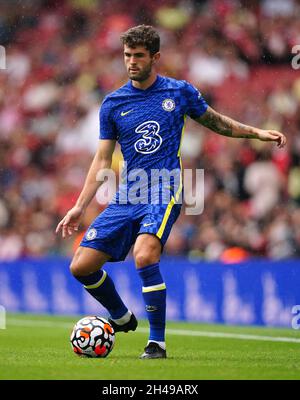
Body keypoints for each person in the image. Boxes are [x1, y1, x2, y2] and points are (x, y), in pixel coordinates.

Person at [56, 25, 286, 359]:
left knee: (145, 254)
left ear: (155, 57)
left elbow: (217, 122)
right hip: (128, 195)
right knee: (81, 266)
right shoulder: (113, 103)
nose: (131, 62)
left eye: (138, 56)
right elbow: (102, 159)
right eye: (127, 55)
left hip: (164, 188)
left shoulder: (178, 92)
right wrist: (80, 206)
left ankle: (157, 344)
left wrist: (256, 133)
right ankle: (121, 317)